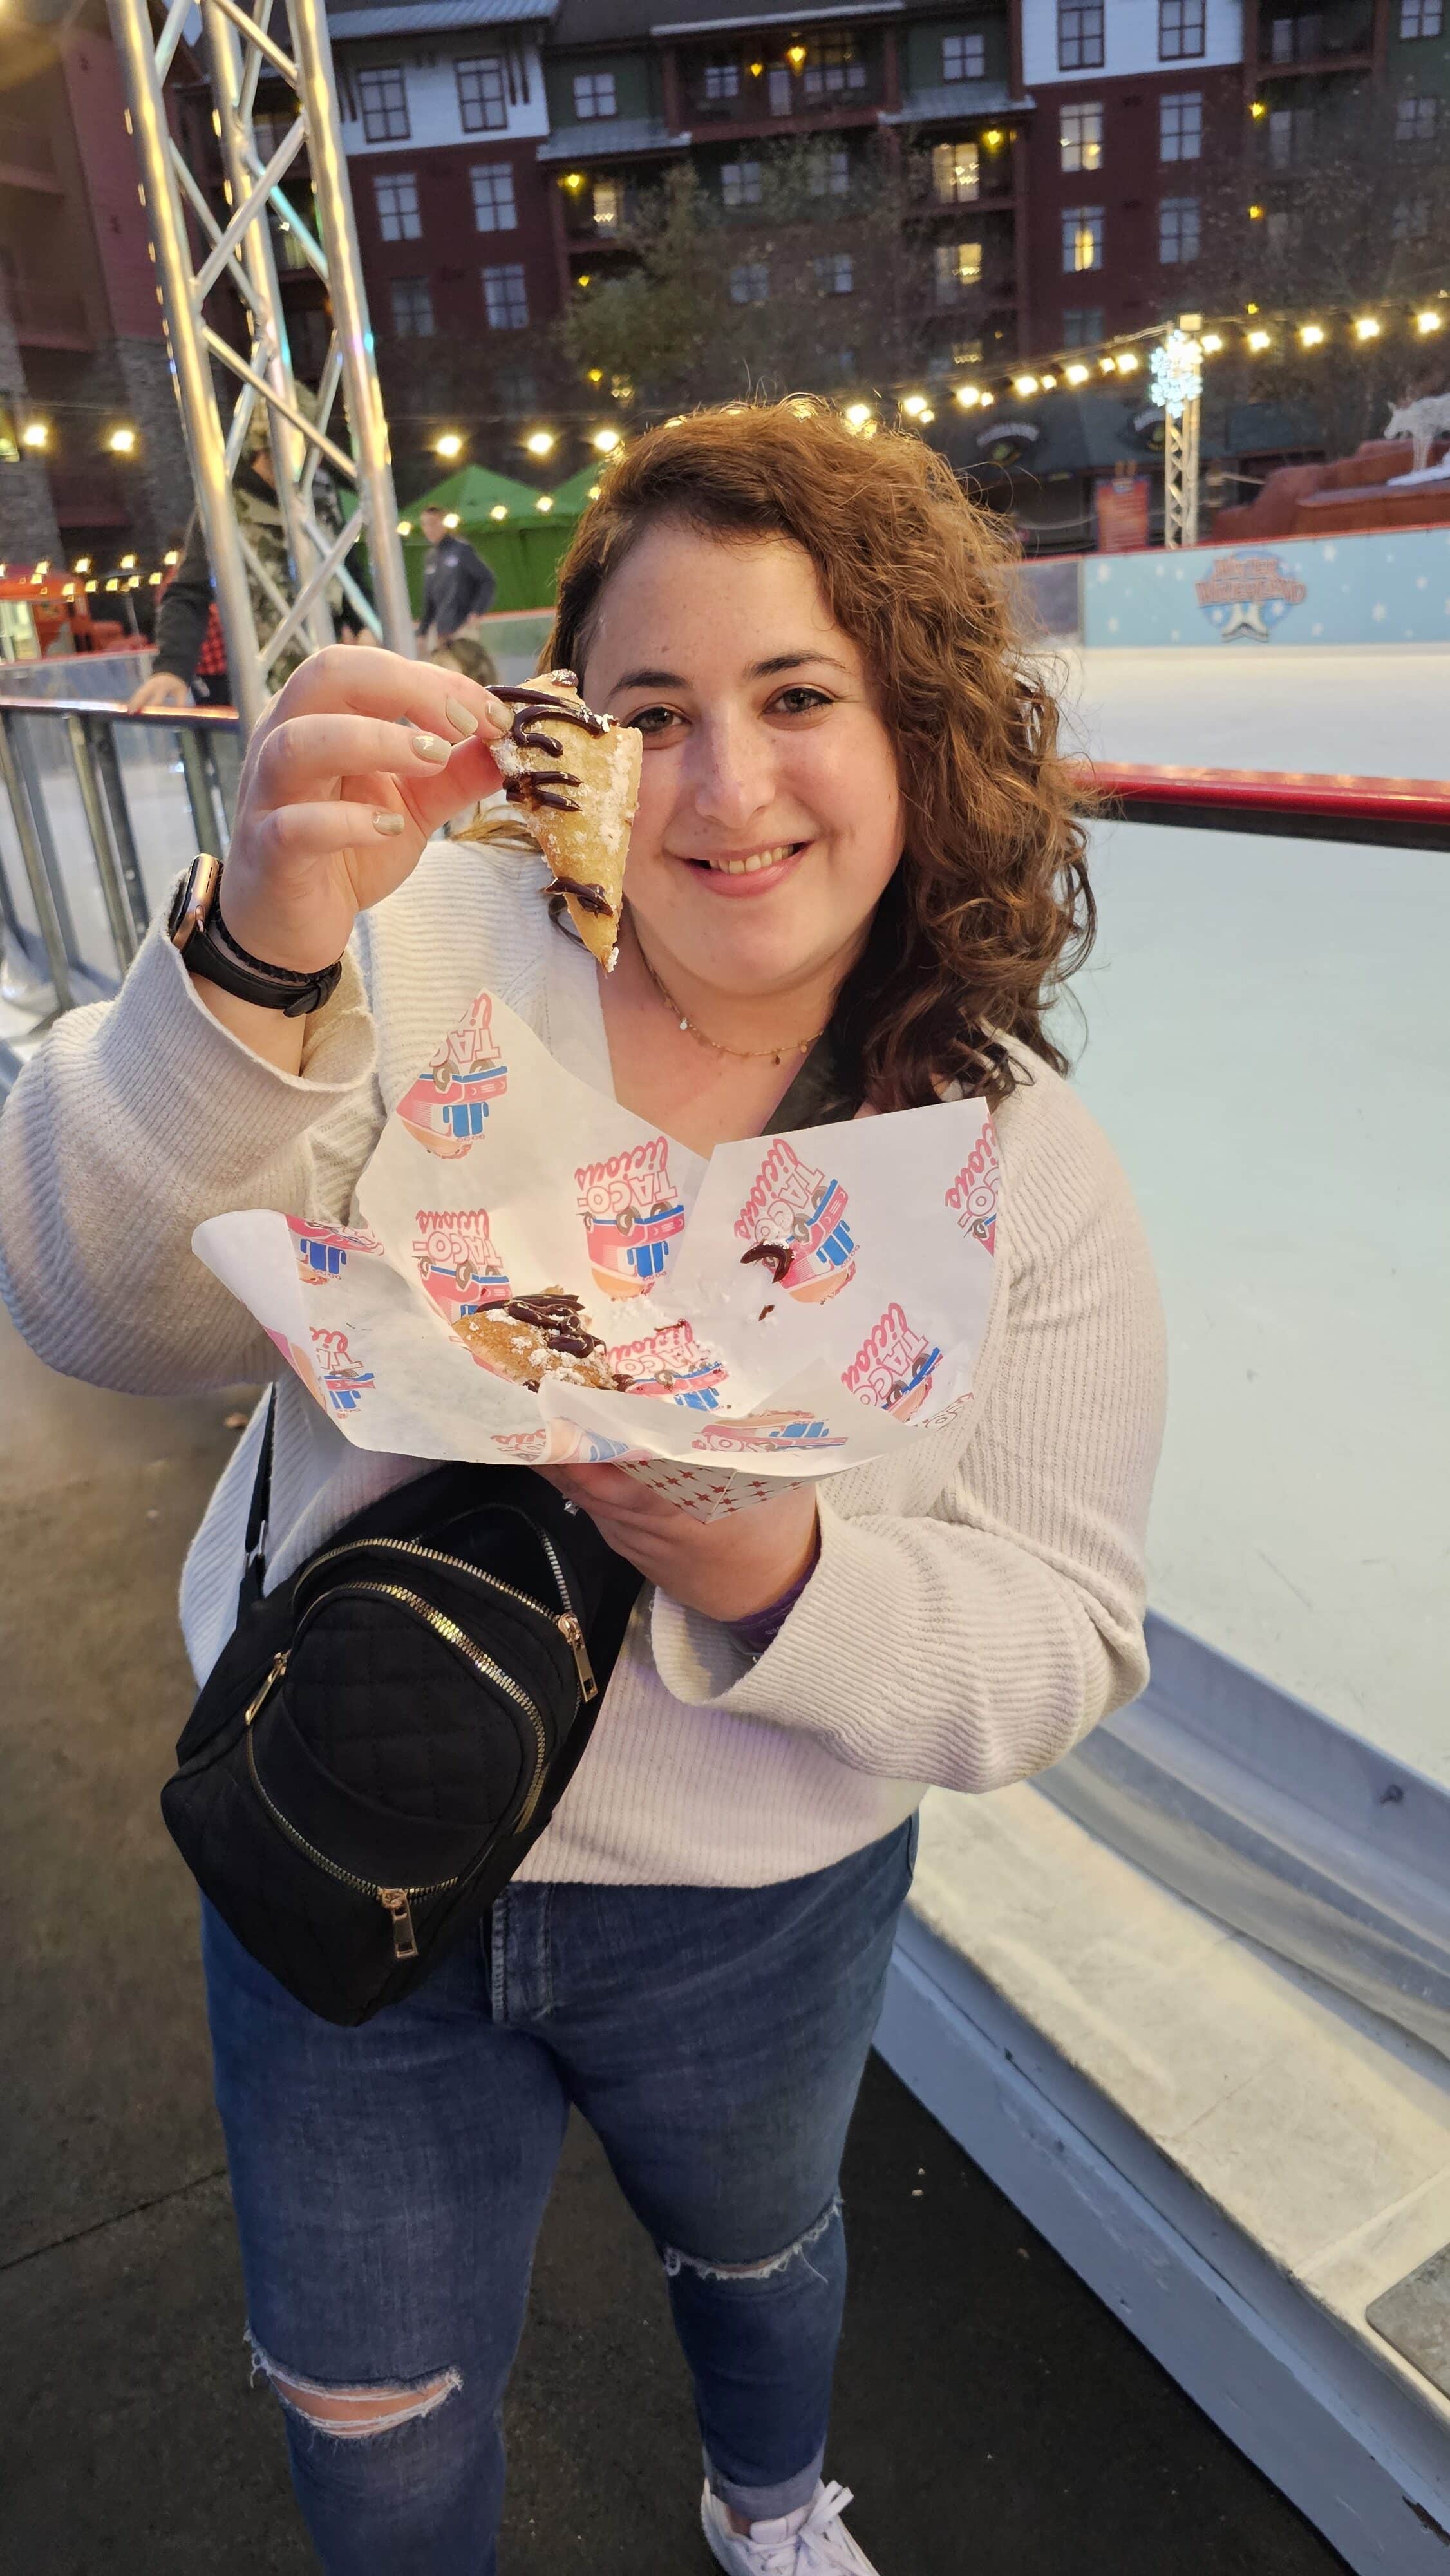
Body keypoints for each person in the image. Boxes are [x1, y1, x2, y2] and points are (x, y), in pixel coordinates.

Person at [0, 401, 1165, 2575]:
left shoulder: (1011, 1166)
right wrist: (248, 960)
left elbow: (1068, 1638)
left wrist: (784, 1569)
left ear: (913, 730)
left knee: (758, 2256)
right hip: (336, 1809)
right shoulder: (411, 949)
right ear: (576, 740)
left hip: (754, 1911)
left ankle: (769, 2503)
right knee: (360, 2401)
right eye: (655, 710)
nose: (726, 787)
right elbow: (89, 1309)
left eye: (796, 697)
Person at [127, 424, 371, 718]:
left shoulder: (321, 491)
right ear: (263, 448)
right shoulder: (224, 504)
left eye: (313, 451)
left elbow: (345, 567)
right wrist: (172, 667)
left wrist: (363, 623)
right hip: (263, 686)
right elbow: (188, 593)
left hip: (328, 675)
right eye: (299, 448)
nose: (308, 462)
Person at [416, 502, 496, 649]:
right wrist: (423, 631)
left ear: (443, 524)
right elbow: (430, 601)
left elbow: (487, 580)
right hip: (442, 630)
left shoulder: (461, 550)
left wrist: (477, 612)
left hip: (463, 628)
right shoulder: (431, 558)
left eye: (433, 523)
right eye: (425, 525)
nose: (429, 529)